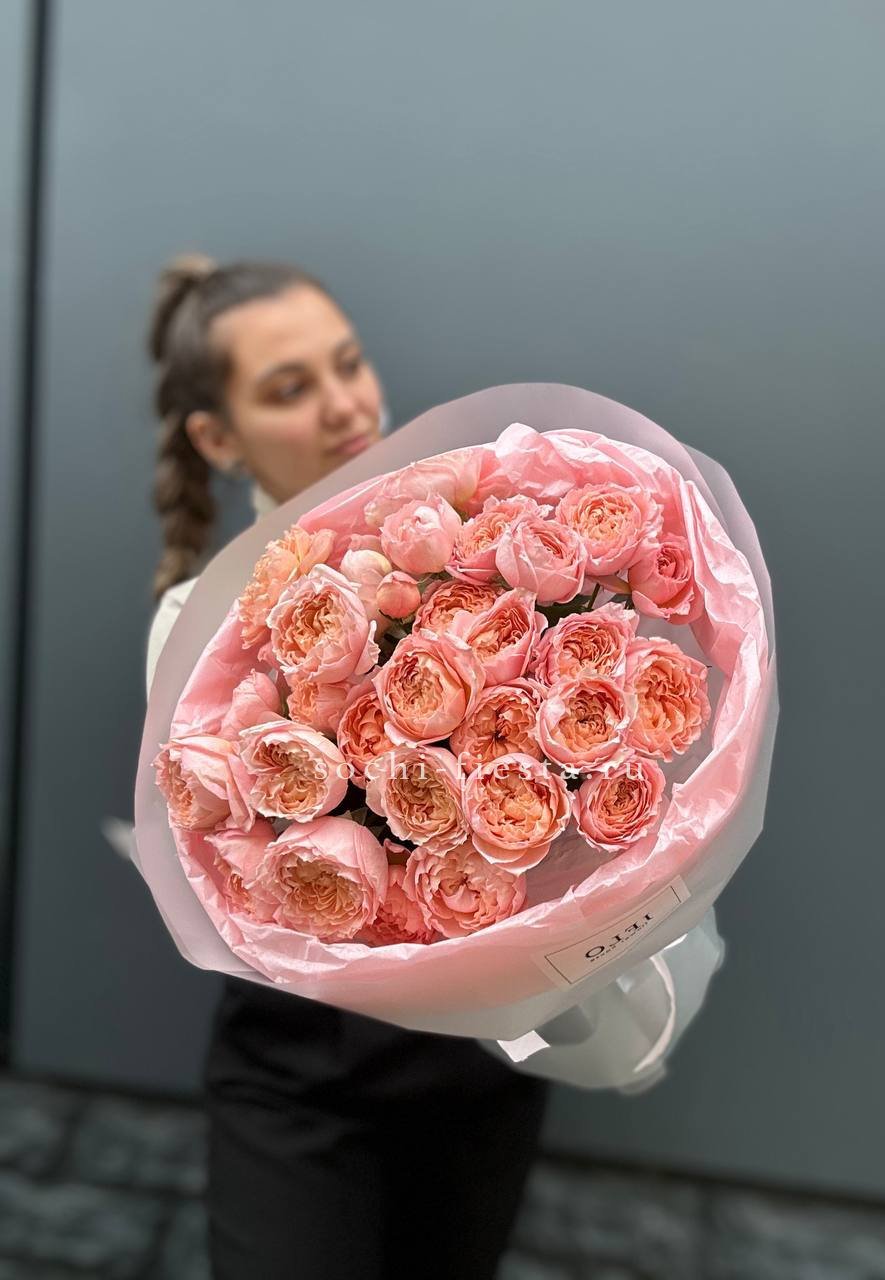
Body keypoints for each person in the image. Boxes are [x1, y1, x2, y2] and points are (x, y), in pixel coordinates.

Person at [144, 254, 550, 1280]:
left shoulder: (471, 548)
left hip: (480, 1061)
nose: (344, 405)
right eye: (290, 388)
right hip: (299, 1067)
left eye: (348, 363)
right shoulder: (198, 628)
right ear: (217, 438)